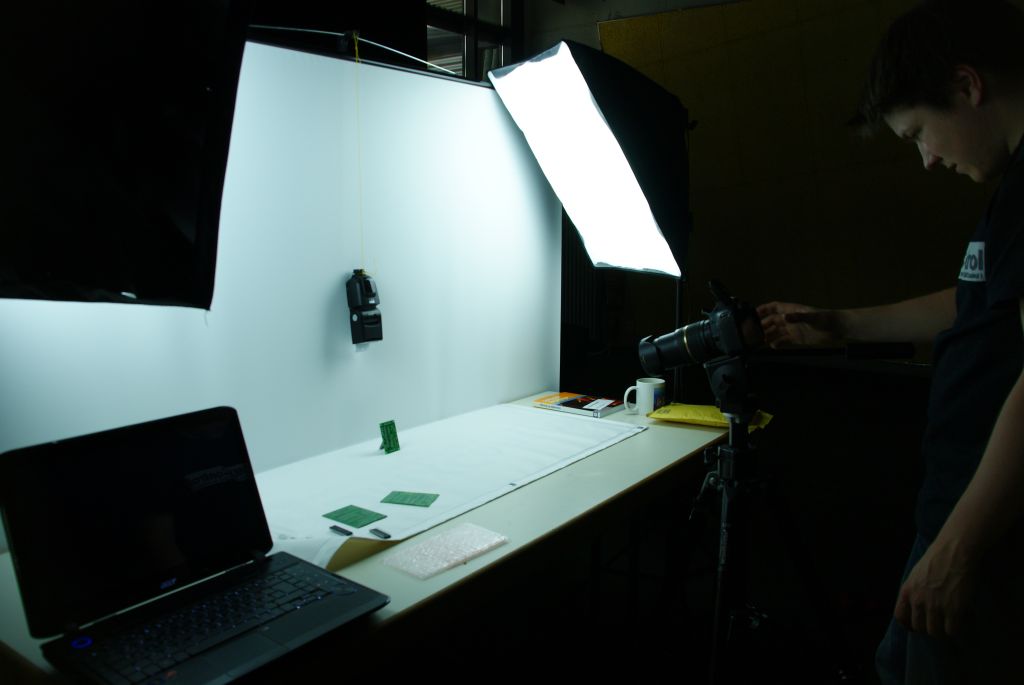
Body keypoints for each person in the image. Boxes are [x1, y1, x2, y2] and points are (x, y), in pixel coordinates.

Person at [756, 1, 1024, 682]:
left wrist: (959, 546)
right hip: (955, 512)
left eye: (918, 133)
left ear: (967, 85)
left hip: (985, 532)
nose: (927, 159)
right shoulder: (1012, 193)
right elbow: (974, 304)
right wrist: (840, 323)